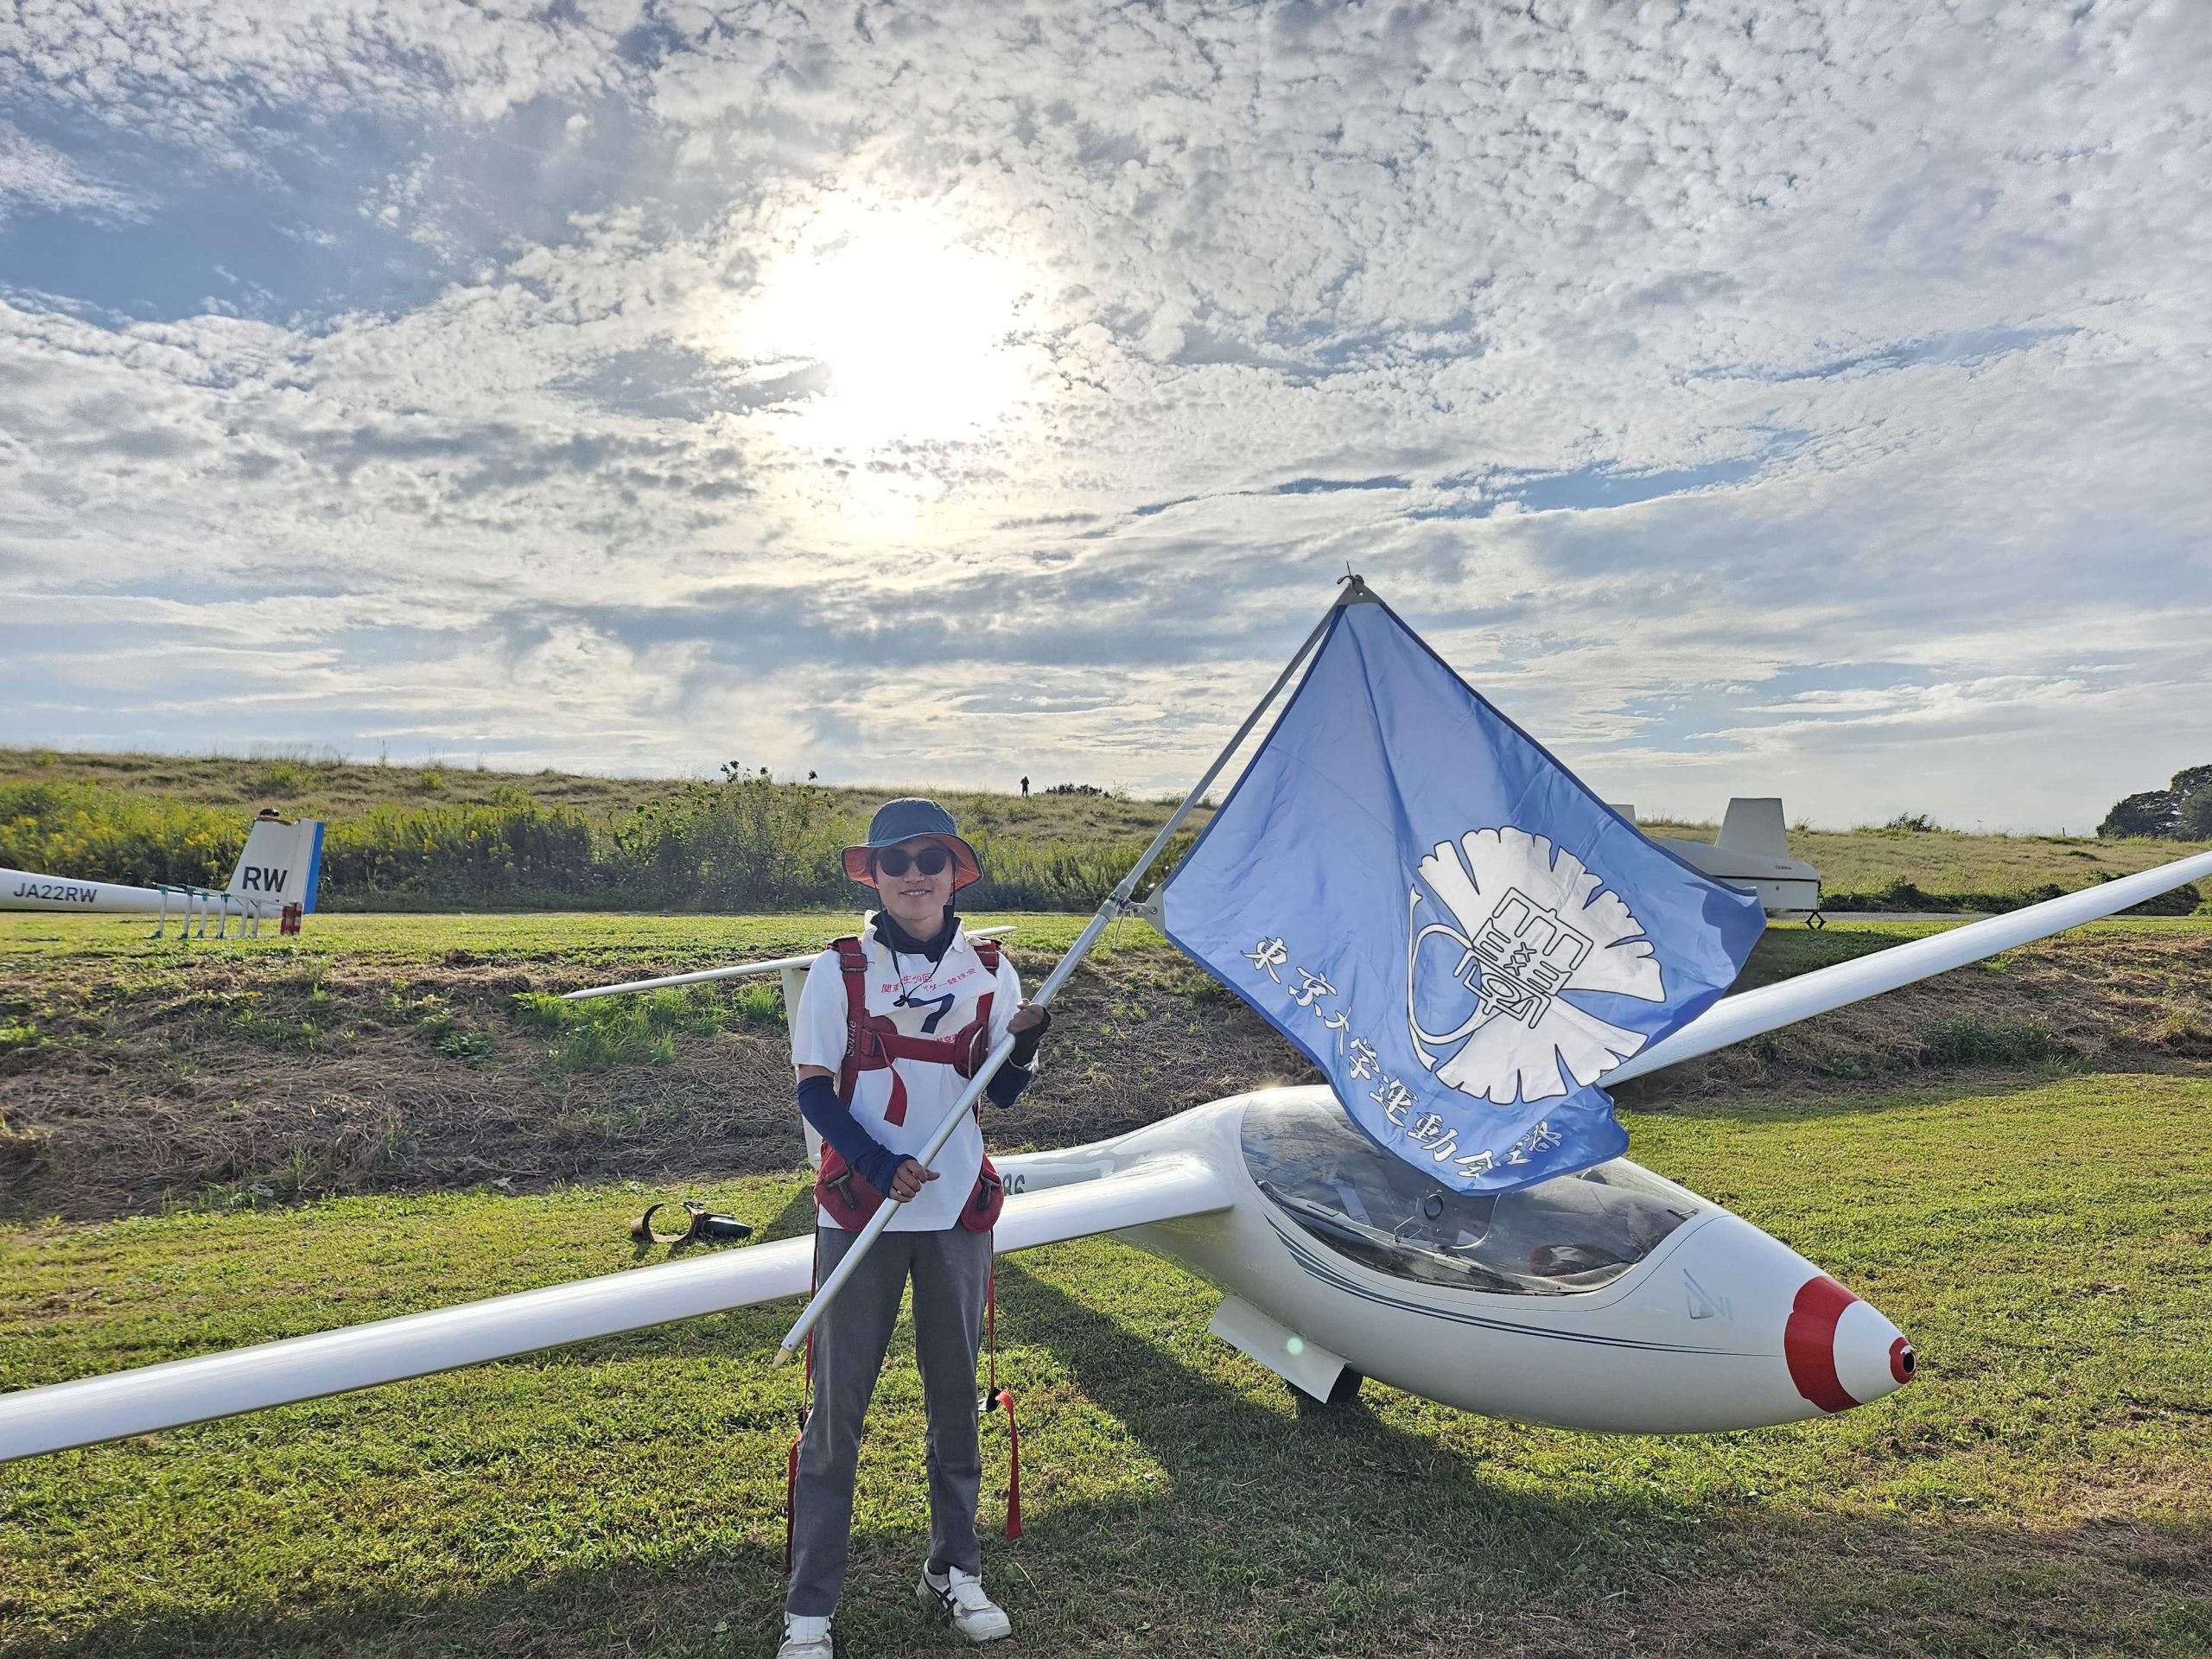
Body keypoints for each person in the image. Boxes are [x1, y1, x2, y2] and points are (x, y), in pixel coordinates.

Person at [781, 798, 1050, 1658]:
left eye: (929, 858)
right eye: (895, 861)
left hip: (953, 1215)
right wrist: (874, 1163)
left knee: (954, 1403)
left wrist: (1028, 1046)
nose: (913, 875)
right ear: (875, 874)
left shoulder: (989, 970)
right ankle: (811, 1608)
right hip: (861, 1212)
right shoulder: (840, 969)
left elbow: (997, 1094)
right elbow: (814, 1088)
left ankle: (955, 1570)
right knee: (837, 1416)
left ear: (953, 870)